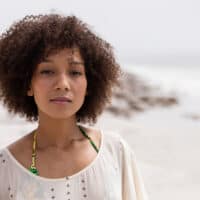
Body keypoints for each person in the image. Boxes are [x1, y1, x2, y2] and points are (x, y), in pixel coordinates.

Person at [0, 14, 148, 199]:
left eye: (75, 72)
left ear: (89, 84)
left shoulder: (115, 151)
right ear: (27, 84)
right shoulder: (6, 166)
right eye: (47, 71)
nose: (63, 83)